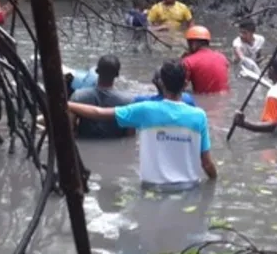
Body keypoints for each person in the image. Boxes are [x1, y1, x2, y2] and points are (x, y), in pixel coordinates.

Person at [67, 60, 218, 189]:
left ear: (161, 83)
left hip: (153, 188)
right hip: (190, 188)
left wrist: (64, 104)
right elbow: (207, 164)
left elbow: (99, 113)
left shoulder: (145, 109)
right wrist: (214, 183)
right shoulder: (199, 116)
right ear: (185, 84)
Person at [68, 55, 133, 139]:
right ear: (117, 75)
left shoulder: (78, 97)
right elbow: (130, 136)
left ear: (96, 71)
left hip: (86, 144)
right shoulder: (127, 101)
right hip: (113, 146)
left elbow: (69, 130)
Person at [181, 26, 230, 94]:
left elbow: (178, 88)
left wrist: (181, 62)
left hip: (202, 99)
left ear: (194, 43)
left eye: (189, 43)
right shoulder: (222, 57)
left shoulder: (188, 61)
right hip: (224, 99)